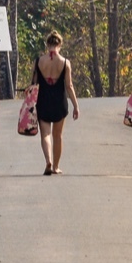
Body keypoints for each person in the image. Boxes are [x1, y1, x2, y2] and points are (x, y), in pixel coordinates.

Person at [27, 32, 79, 176]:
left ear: (47, 44)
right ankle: (56, 166)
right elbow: (69, 86)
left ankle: (48, 161)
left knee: (45, 134)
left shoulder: (39, 61)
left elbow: (34, 83)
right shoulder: (65, 62)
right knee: (58, 135)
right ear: (60, 45)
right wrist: (75, 105)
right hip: (59, 102)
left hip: (43, 100)